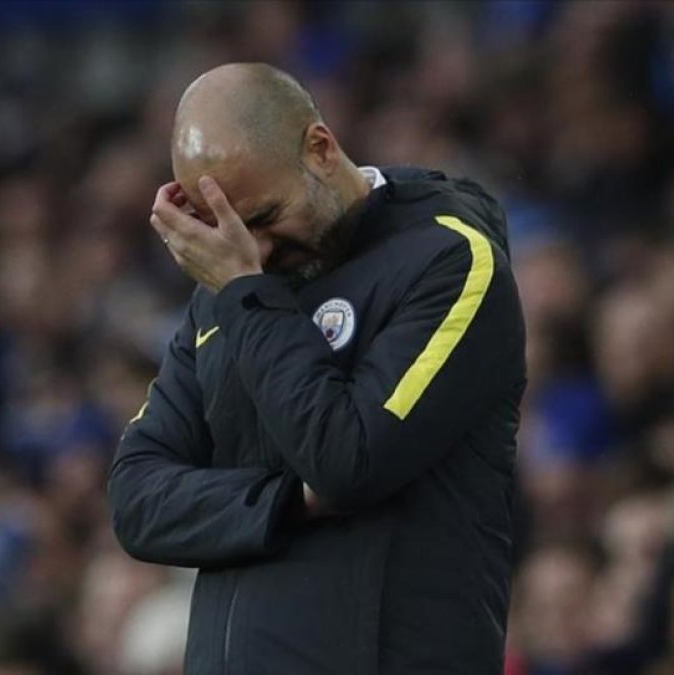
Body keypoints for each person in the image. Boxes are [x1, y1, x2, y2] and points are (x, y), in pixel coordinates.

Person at [108, 62, 526, 674]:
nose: (257, 250)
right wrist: (286, 503)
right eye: (229, 229)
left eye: (264, 217)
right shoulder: (227, 291)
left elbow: (348, 460)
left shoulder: (450, 261)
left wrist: (246, 295)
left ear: (321, 149)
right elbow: (136, 498)